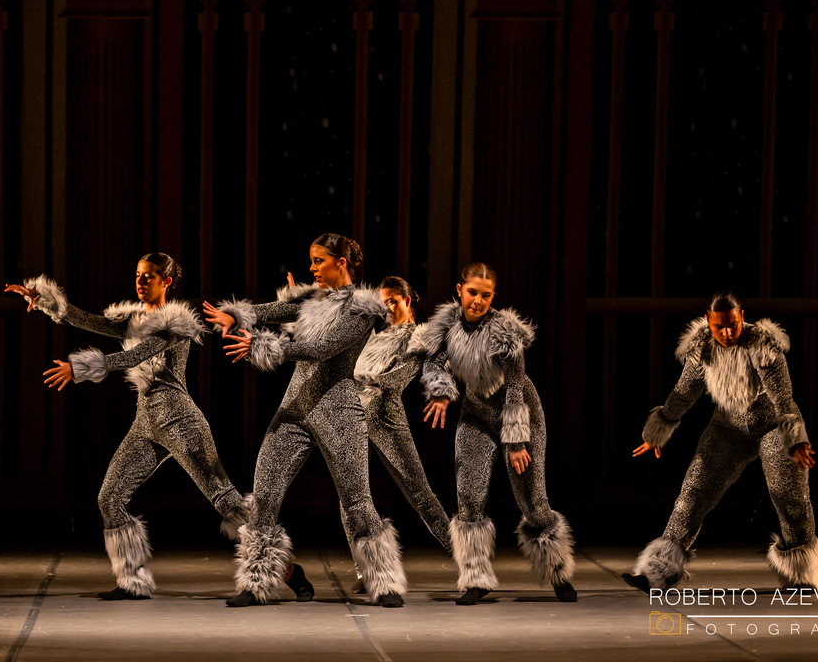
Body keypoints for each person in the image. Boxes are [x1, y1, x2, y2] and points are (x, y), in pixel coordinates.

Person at [7, 252, 250, 601]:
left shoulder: (176, 324)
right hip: (146, 424)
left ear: (166, 282)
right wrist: (45, 299)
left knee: (224, 498)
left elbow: (134, 356)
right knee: (109, 498)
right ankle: (132, 581)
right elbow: (86, 320)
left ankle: (277, 570)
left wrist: (80, 368)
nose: (140, 281)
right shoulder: (134, 319)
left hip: (181, 421)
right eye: (138, 275)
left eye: (148, 276)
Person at [203, 234, 408, 608]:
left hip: (339, 414)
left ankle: (385, 582)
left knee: (357, 501)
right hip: (295, 410)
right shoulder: (312, 299)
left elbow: (321, 349)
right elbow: (273, 310)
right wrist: (237, 315)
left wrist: (264, 346)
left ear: (340, 263)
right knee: (265, 493)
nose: (312, 268)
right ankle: (256, 581)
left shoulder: (363, 309)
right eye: (311, 261)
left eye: (318, 261)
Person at [624, 291, 818, 593]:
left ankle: (802, 575)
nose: (727, 333)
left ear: (742, 317)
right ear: (708, 321)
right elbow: (684, 392)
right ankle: (659, 571)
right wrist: (659, 428)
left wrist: (795, 440)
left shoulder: (763, 345)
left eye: (733, 325)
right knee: (693, 490)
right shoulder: (702, 349)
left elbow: (783, 399)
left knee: (788, 495)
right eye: (719, 327)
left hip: (773, 426)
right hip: (728, 428)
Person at [415, 262, 577, 605]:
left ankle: (558, 572)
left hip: (519, 415)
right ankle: (475, 578)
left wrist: (517, 440)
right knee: (468, 497)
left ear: (493, 297)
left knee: (533, 502)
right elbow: (432, 362)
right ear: (460, 290)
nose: (478, 301)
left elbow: (515, 387)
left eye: (486, 295)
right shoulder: (446, 325)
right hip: (475, 414)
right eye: (472, 292)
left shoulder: (504, 332)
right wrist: (440, 392)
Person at [344, 276, 450, 593]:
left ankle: (468, 559)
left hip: (386, 416)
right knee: (349, 498)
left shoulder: (419, 336)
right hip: (354, 415)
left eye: (394, 301)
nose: (388, 308)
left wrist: (369, 380)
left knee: (420, 495)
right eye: (383, 302)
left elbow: (401, 376)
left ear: (408, 299)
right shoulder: (373, 334)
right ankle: (368, 571)